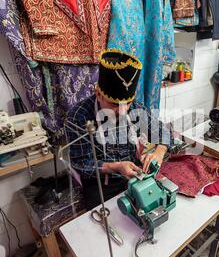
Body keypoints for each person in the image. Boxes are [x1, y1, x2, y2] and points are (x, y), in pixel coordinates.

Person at [65, 49, 173, 210]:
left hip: (135, 177)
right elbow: (80, 164)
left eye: (127, 104)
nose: (122, 111)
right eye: (114, 105)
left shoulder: (136, 108)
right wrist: (113, 166)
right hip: (101, 186)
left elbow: (162, 132)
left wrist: (159, 152)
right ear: (99, 94)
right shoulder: (78, 117)